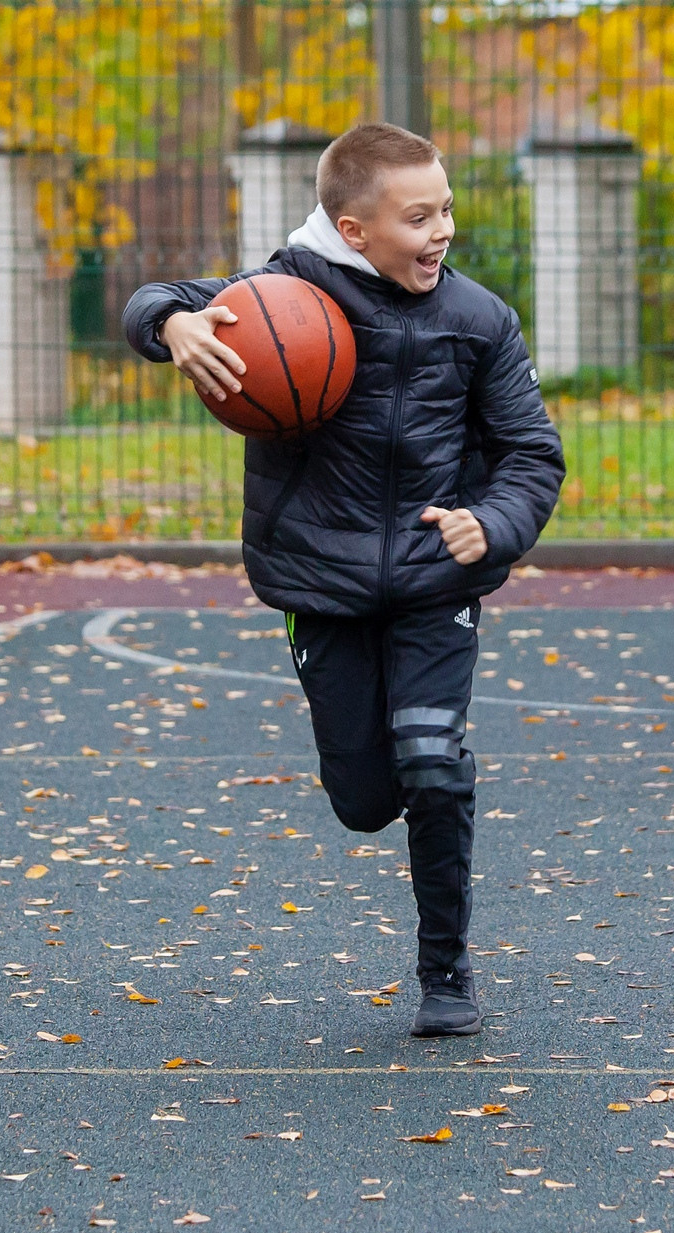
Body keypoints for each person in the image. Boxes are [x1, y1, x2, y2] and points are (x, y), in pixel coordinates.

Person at [123, 122, 565, 1036]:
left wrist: (495, 523)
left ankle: (447, 973)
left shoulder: (478, 319)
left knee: (433, 768)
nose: (441, 230)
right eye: (418, 217)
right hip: (320, 582)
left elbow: (531, 452)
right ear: (354, 230)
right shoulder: (282, 294)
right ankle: (388, 772)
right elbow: (154, 298)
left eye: (445, 209)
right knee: (366, 802)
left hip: (433, 580)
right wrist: (172, 326)